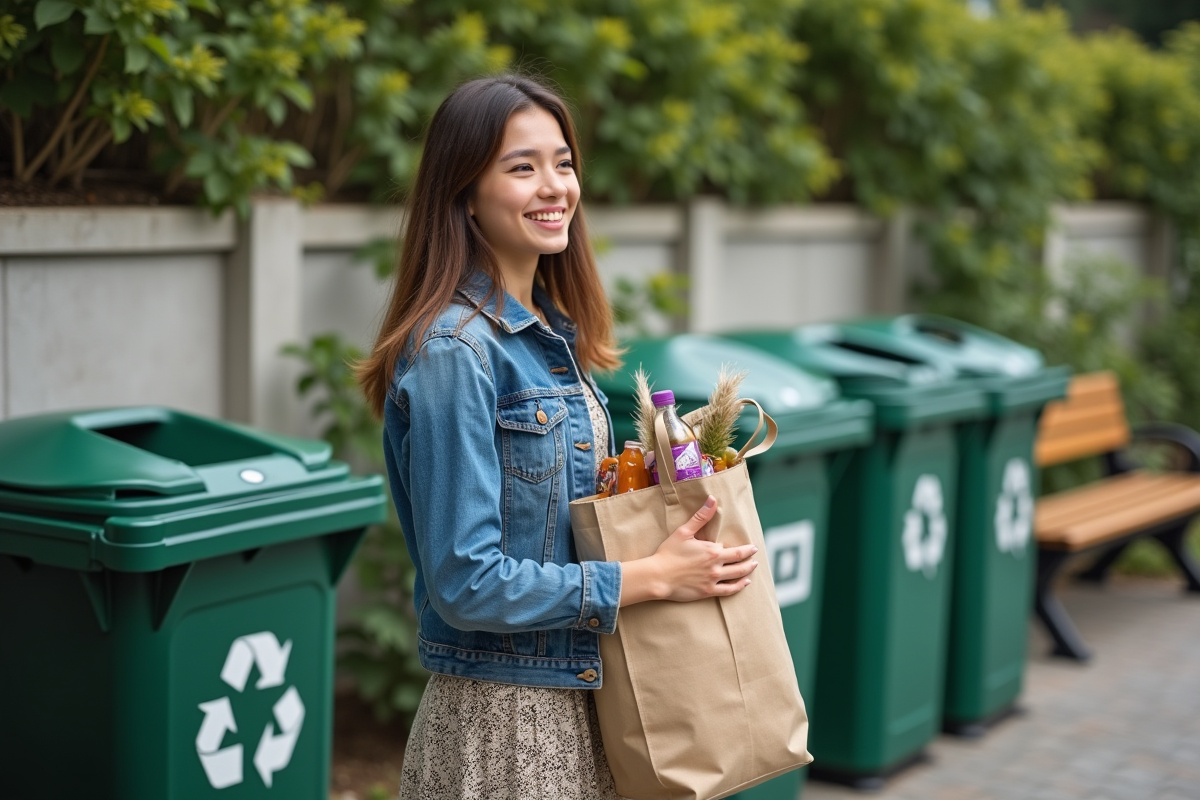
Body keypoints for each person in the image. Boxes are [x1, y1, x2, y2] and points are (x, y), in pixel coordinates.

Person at [357, 74, 759, 800]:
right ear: (464, 192)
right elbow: (465, 582)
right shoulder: (456, 352)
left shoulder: (549, 337)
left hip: (585, 703)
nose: (554, 186)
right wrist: (650, 578)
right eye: (522, 167)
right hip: (505, 726)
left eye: (563, 163)